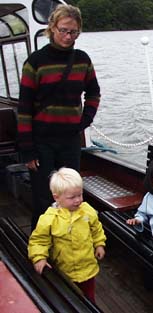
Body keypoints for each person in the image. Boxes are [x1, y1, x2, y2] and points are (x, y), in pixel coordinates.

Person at [17, 4, 101, 231]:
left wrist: (85, 120)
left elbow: (94, 92)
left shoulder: (82, 60)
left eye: (73, 32)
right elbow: (24, 108)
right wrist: (28, 150)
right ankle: (41, 245)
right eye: (63, 30)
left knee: (71, 195)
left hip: (70, 141)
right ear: (52, 28)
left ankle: (70, 239)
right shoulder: (35, 62)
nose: (68, 36)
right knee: (45, 196)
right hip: (41, 141)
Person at [28, 167, 106, 303]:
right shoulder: (49, 219)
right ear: (56, 197)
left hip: (87, 268)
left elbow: (96, 228)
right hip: (64, 271)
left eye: (80, 195)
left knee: (89, 300)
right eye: (72, 197)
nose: (78, 200)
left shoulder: (87, 211)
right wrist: (39, 258)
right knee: (66, 300)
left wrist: (99, 244)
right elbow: (39, 241)